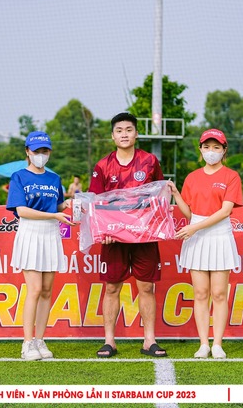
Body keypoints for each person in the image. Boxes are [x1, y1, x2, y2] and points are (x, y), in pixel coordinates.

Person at [89, 112, 167, 358]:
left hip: (144, 236)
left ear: (136, 134)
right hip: (114, 239)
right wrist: (105, 231)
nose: (124, 134)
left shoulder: (150, 162)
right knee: (112, 288)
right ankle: (109, 341)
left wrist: (154, 226)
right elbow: (96, 203)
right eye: (119, 130)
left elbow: (159, 197)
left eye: (129, 130)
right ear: (113, 136)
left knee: (146, 287)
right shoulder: (102, 165)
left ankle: (149, 341)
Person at [169, 129, 243, 359]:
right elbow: (190, 214)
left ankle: (218, 343)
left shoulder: (231, 176)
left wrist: (194, 228)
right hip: (197, 236)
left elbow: (225, 211)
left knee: (219, 293)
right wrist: (176, 195)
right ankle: (203, 343)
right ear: (200, 150)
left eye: (216, 147)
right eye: (207, 147)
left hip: (219, 235)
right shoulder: (192, 177)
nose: (212, 152)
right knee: (200, 293)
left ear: (224, 150)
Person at [7, 131, 74, 361]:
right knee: (34, 290)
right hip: (30, 233)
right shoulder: (19, 177)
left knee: (47, 291)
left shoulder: (54, 179)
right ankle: (27, 343)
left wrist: (71, 204)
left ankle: (40, 340)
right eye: (36, 151)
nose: (41, 155)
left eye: (45, 151)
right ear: (27, 151)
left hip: (50, 234)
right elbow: (21, 211)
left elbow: (58, 205)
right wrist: (54, 215)